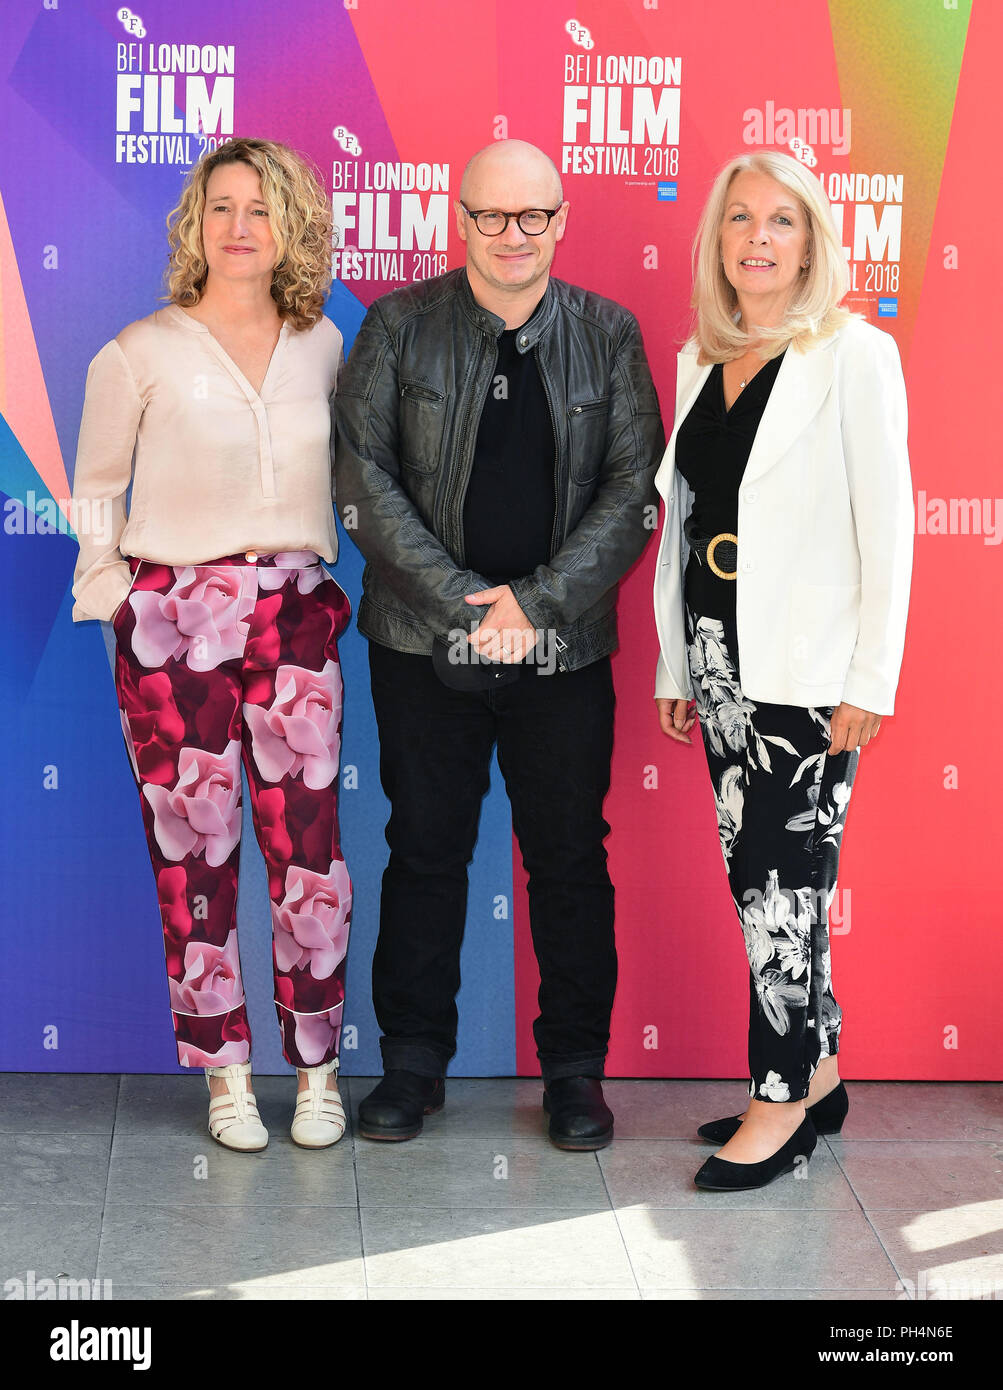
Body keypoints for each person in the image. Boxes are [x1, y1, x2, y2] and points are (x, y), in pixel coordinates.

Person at [334, 139, 663, 1150]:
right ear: (457, 217)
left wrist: (538, 605)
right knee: (424, 850)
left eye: (532, 218)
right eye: (490, 216)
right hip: (419, 647)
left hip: (561, 656)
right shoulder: (396, 326)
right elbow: (362, 481)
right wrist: (464, 606)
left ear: (561, 222)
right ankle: (412, 1064)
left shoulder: (608, 334)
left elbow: (631, 492)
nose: (511, 236)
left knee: (567, 859)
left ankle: (574, 1072)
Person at [70, 138, 353, 1152]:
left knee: (307, 852)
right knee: (194, 854)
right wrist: (114, 595)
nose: (240, 226)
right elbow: (97, 484)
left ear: (292, 228)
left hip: (296, 607)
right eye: (221, 206)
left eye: (261, 208)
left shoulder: (322, 343)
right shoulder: (138, 350)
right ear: (194, 225)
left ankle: (317, 1067)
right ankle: (224, 1069)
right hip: (173, 617)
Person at [652, 150, 913, 1190]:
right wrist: (681, 658)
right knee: (769, 883)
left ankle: (778, 1097)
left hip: (806, 671)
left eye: (783, 222)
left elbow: (885, 529)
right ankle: (823, 1072)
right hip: (720, 653)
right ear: (716, 240)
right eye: (740, 220)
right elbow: (684, 525)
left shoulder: (854, 355)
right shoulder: (697, 359)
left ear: (811, 242)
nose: (758, 239)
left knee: (778, 892)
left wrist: (871, 678)